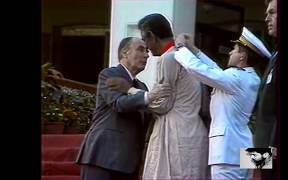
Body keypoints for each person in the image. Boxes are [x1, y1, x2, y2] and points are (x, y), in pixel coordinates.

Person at [108, 13, 209, 180]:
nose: (147, 51)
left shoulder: (168, 58)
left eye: (144, 42)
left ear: (152, 36)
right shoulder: (185, 55)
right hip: (194, 132)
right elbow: (214, 70)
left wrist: (130, 91)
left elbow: (161, 104)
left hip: (177, 134)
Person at [174, 27, 271, 179]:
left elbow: (201, 70)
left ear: (242, 57)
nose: (230, 52)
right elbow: (215, 70)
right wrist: (193, 49)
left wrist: (179, 48)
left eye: (234, 50)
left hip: (227, 153)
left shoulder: (236, 77)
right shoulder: (251, 77)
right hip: (245, 150)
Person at [75, 37, 171, 180]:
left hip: (129, 162)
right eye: (140, 49)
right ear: (125, 53)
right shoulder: (109, 74)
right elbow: (119, 104)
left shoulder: (142, 87)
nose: (146, 55)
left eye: (147, 51)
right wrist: (150, 97)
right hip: (103, 156)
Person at [253, 0, 279, 179]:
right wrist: (255, 161)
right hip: (264, 152)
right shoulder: (275, 55)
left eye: (272, 13)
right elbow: (264, 113)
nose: (266, 18)